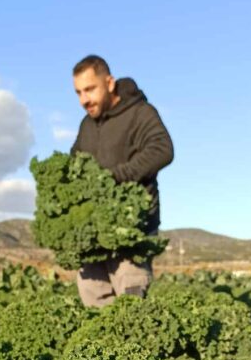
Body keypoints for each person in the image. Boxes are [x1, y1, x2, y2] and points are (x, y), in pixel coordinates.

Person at [70, 55, 174, 307]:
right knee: (94, 306)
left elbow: (162, 149)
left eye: (90, 89)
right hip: (94, 236)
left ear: (109, 83)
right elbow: (72, 166)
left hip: (132, 231)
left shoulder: (140, 113)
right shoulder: (87, 126)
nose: (85, 99)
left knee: (130, 308)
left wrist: (116, 177)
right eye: (78, 92)